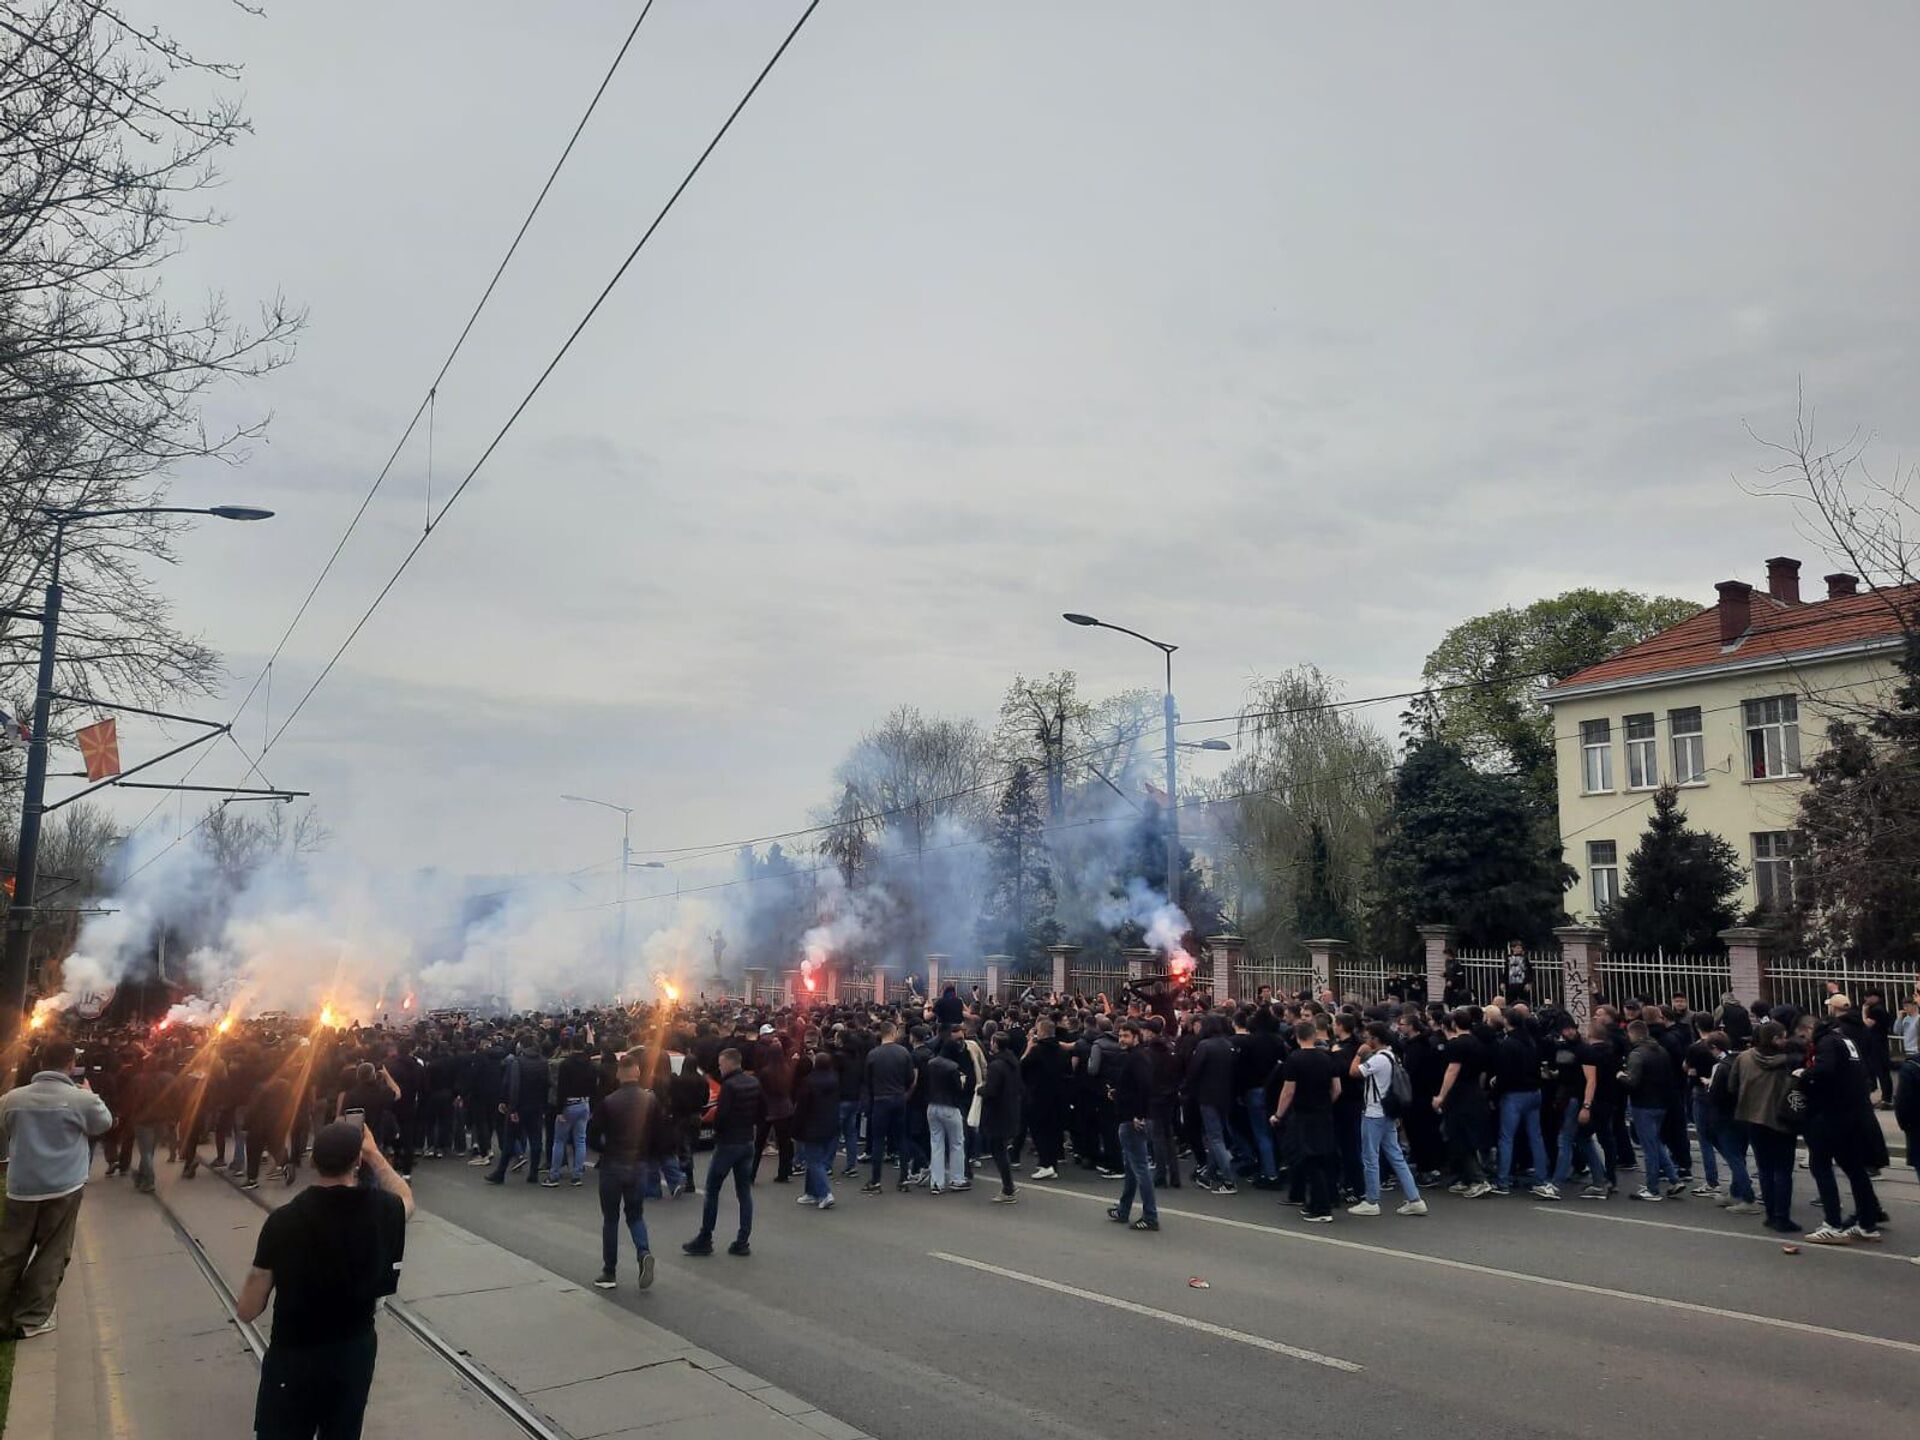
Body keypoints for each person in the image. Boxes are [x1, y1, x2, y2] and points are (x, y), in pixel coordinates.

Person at [237, 1121, 412, 1440]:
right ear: (356, 1161)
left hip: (295, 1355)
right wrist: (374, 1155)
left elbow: (249, 1308)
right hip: (353, 1351)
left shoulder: (284, 1221)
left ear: (314, 1162)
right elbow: (405, 1197)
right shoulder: (384, 1209)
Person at [0, 1040, 113, 1339]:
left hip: (21, 1186)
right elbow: (103, 1124)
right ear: (69, 1065)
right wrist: (90, 1094)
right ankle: (30, 1318)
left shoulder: (11, 1099)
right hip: (63, 1186)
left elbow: (5, 1132)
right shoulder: (81, 1100)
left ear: (39, 1064)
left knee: (9, 1252)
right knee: (51, 1252)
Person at [1801, 997, 1884, 1244]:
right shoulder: (1846, 1040)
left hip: (1833, 1114)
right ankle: (1867, 1223)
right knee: (1854, 1167)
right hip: (1854, 1112)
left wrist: (1804, 1074)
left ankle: (1832, 1223)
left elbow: (1825, 1071)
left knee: (1821, 1165)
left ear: (1808, 1030)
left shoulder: (1827, 1042)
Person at [683, 1048, 761, 1257]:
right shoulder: (753, 1082)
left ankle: (705, 1237)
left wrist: (717, 1130)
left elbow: (722, 1116)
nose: (719, 1067)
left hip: (729, 1144)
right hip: (747, 1141)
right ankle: (743, 1240)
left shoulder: (729, 1086)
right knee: (744, 1192)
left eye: (721, 1063)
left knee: (713, 1190)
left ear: (729, 1063)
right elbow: (760, 1111)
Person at [593, 1051, 658, 1291]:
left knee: (611, 1218)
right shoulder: (650, 1099)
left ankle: (609, 1272)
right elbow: (660, 1133)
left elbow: (592, 1135)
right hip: (638, 1163)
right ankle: (643, 1252)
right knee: (635, 1215)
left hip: (613, 1164)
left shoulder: (609, 1101)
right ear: (638, 1072)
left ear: (619, 1074)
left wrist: (605, 1148)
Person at [1347, 1021, 1425, 1217]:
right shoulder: (1392, 1056)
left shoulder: (1378, 1059)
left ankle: (1372, 1200)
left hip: (1374, 1112)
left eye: (1368, 1037)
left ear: (1375, 1039)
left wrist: (1358, 1054)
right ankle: (1414, 1198)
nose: (1365, 1040)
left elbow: (1354, 1072)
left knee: (1370, 1157)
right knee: (1395, 1155)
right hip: (1388, 1111)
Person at [1730, 1020, 1800, 1233]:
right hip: (1781, 1121)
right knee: (1783, 1171)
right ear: (1775, 1039)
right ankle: (1782, 1217)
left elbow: (1732, 1086)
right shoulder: (1789, 1062)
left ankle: (1770, 1215)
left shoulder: (1744, 1058)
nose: (1785, 1039)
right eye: (1782, 1036)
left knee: (1765, 1169)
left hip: (1753, 1119)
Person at [1273, 1019, 1341, 1222]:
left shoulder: (1295, 1059)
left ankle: (1321, 1208)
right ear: (1314, 1035)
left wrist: (1278, 1114)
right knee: (1325, 1157)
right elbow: (1337, 1088)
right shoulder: (1327, 1057)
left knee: (1310, 1160)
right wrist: (1325, 1102)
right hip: (1324, 1114)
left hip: (1304, 1115)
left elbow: (1288, 1091)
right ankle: (1326, 1199)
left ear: (1297, 1036)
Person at [1620, 1020, 1681, 1202]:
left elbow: (1633, 1082)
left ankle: (1652, 1188)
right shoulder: (1661, 1050)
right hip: (1661, 1103)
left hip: (1643, 1105)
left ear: (1633, 1034)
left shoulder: (1637, 1054)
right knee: (1656, 1142)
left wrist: (1621, 1076)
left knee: (1649, 1148)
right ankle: (1674, 1179)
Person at [1106, 1021, 1158, 1231]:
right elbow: (1135, 1087)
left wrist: (1139, 1114)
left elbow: (1145, 1087)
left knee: (1140, 1169)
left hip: (1133, 1120)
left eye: (1126, 1036)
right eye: (1120, 1036)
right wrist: (1118, 1094)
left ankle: (1150, 1216)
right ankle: (1124, 1209)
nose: (1122, 1040)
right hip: (1130, 1117)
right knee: (1131, 1168)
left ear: (1136, 1037)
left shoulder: (1137, 1058)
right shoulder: (1135, 1057)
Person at [861, 1024, 915, 1195]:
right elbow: (910, 1077)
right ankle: (904, 1178)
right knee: (901, 1138)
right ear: (893, 1033)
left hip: (880, 1099)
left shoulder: (873, 1054)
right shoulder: (904, 1052)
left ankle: (876, 1180)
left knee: (878, 1140)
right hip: (899, 1098)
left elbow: (867, 1080)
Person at [792, 1041, 841, 1210]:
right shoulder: (834, 1079)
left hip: (812, 1125)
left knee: (813, 1160)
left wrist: (796, 1128)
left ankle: (825, 1193)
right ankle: (811, 1192)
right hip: (830, 1123)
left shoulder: (809, 1082)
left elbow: (802, 1108)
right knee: (816, 1159)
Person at [977, 1029, 1023, 1204]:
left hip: (997, 1113)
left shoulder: (996, 1066)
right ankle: (1009, 1185)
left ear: (995, 1044)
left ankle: (1008, 1188)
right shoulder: (1013, 1062)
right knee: (1001, 1148)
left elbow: (991, 1090)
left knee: (999, 1151)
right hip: (1010, 1109)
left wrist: (980, 1089)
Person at [923, 1038, 970, 1194]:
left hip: (932, 1105)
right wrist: (962, 1082)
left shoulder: (930, 1063)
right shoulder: (953, 1067)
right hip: (950, 1107)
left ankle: (936, 1182)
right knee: (956, 1143)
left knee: (936, 1143)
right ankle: (957, 1178)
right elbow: (958, 1089)